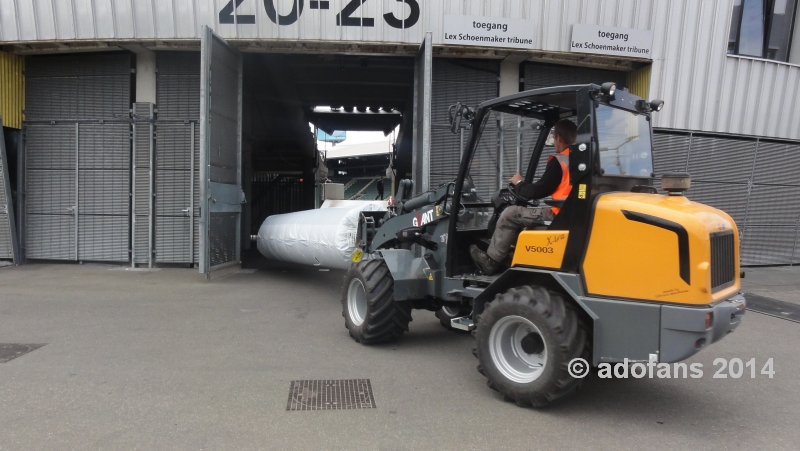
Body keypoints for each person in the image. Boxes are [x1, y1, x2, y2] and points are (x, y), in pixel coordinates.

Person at [469, 119, 577, 276]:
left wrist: (518, 183)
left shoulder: (560, 161)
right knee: (525, 213)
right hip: (572, 212)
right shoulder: (582, 160)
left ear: (558, 137)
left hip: (559, 214)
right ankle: (511, 255)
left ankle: (491, 261)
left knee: (510, 214)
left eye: (553, 137)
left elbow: (536, 192)